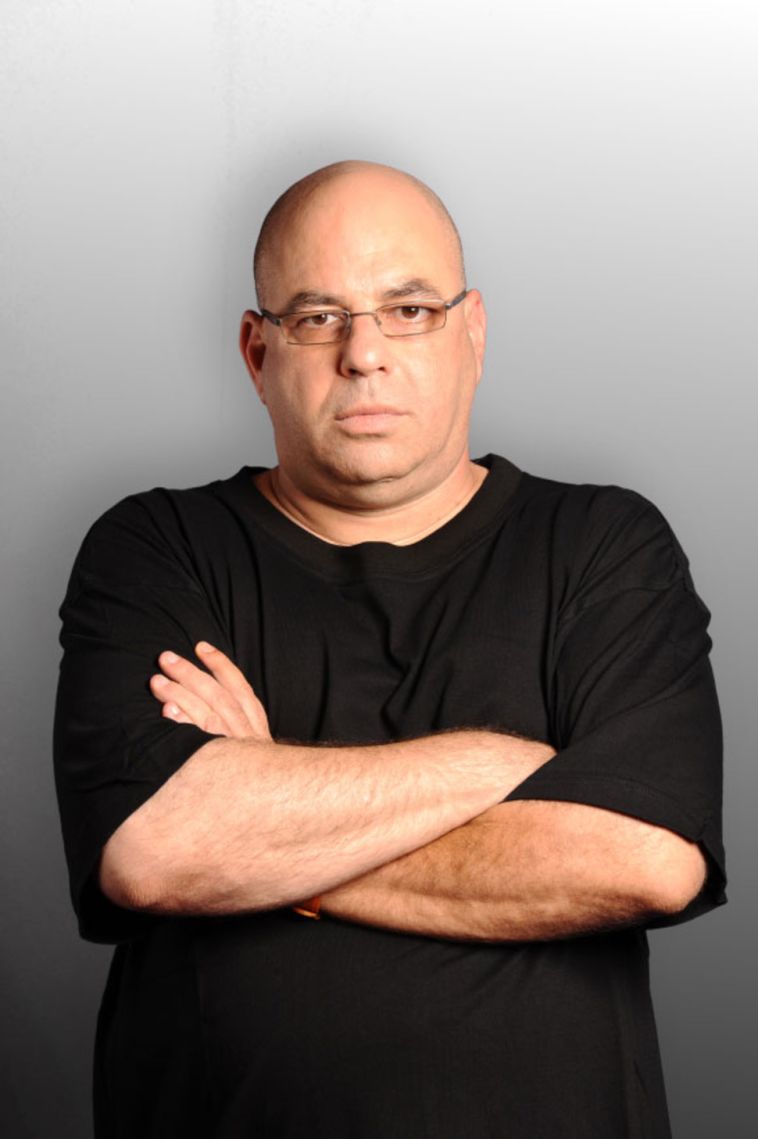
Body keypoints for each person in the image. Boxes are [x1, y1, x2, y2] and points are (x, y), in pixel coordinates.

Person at [53, 160, 726, 1139]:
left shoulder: (601, 546)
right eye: (317, 316)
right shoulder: (157, 549)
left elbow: (643, 856)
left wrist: (267, 836)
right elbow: (154, 849)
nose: (362, 354)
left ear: (471, 331)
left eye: (409, 310)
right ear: (257, 351)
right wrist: (493, 766)